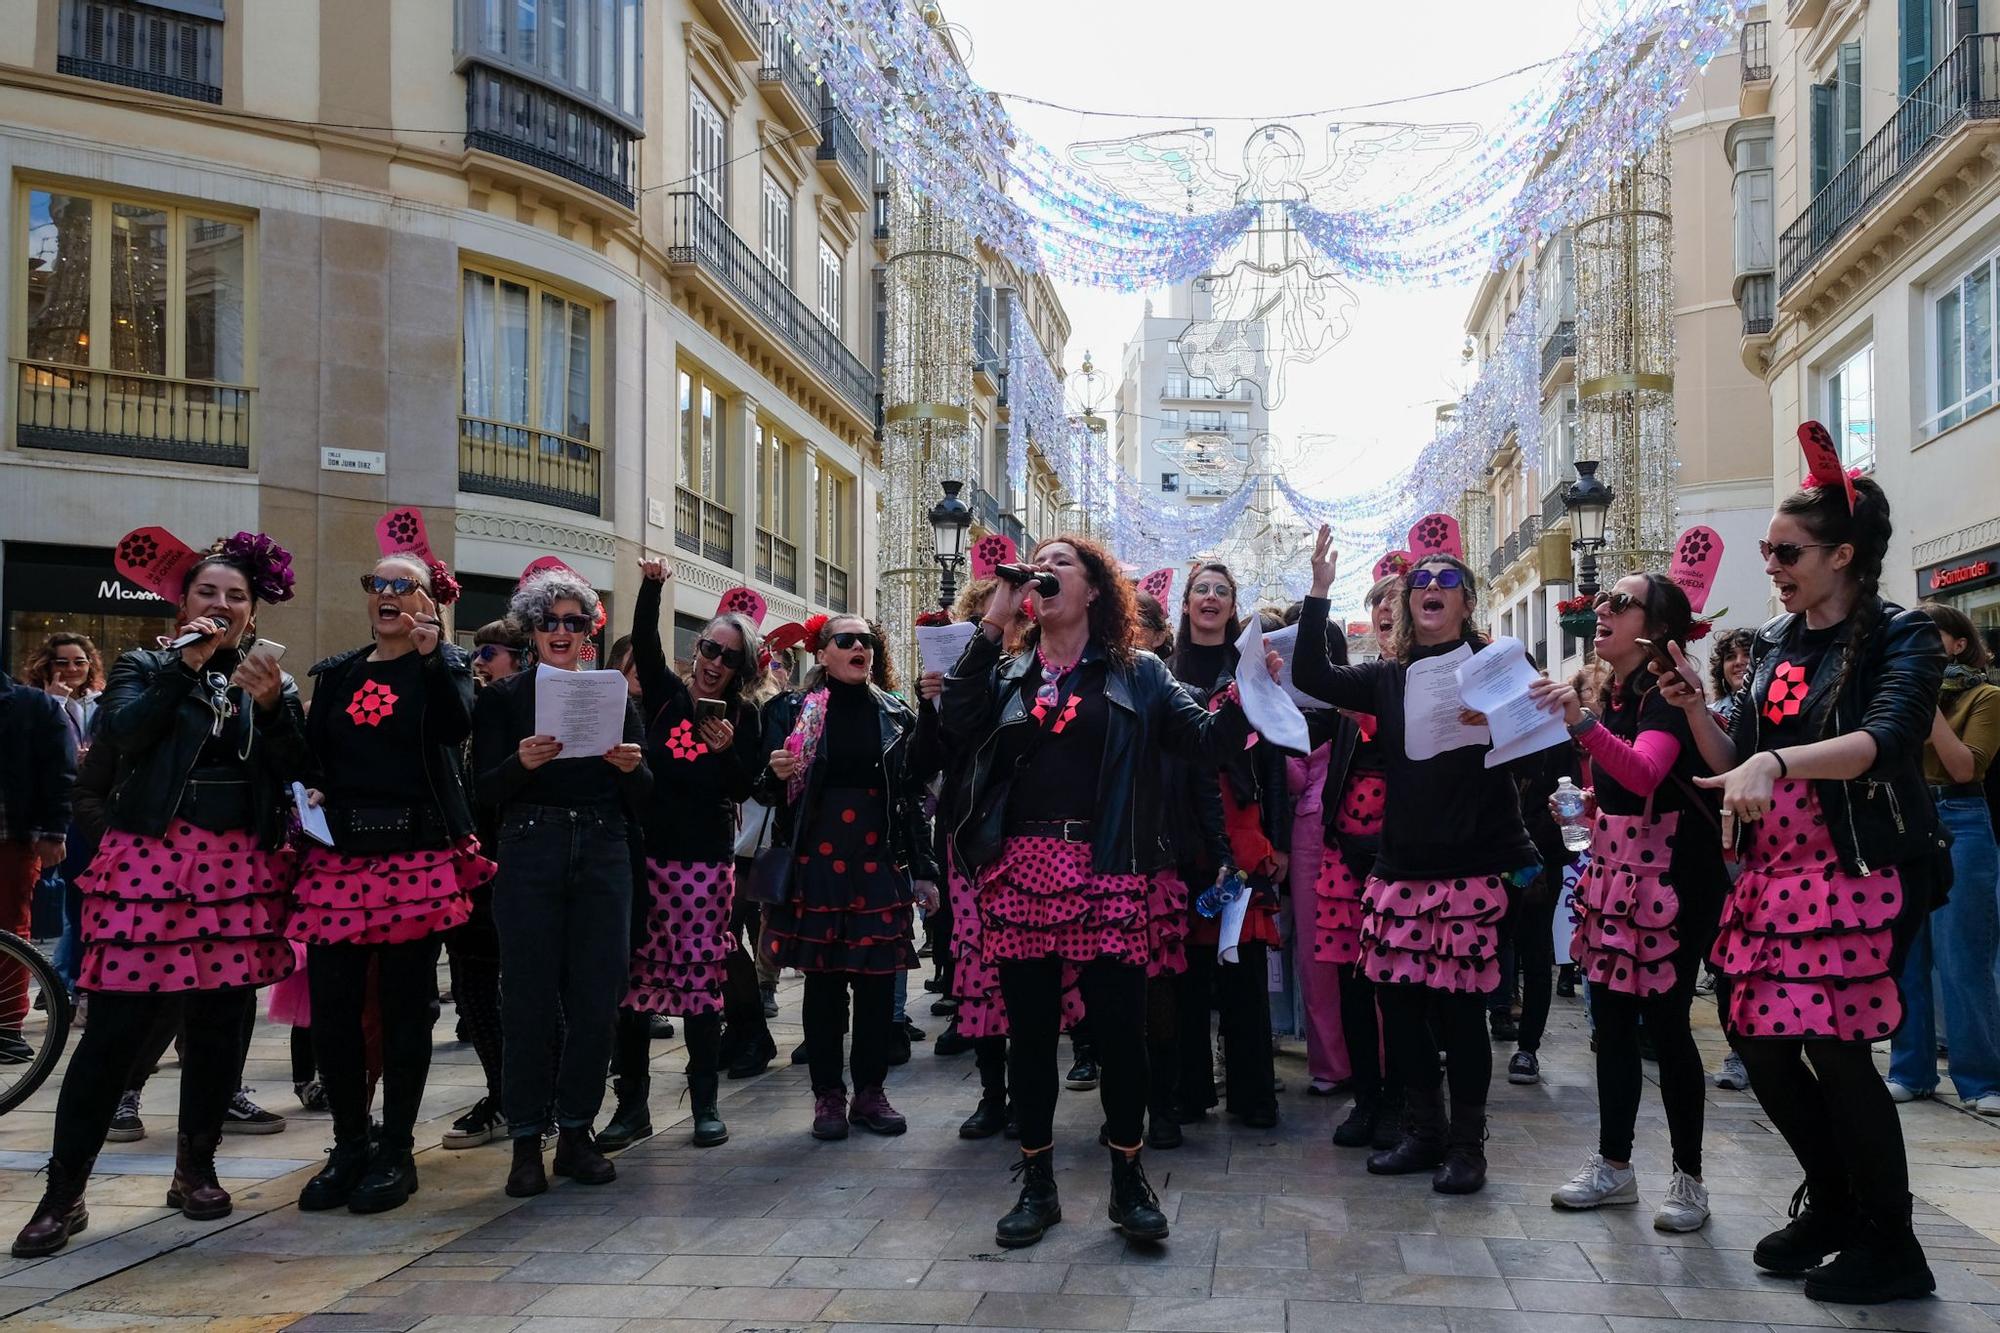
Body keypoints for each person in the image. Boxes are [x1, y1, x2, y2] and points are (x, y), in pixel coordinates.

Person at [1660, 450, 1943, 1305]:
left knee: (1837, 1048)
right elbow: (1737, 757)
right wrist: (1693, 712)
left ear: (1841, 555)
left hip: (1862, 868)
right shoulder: (1780, 640)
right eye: (1770, 553)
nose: (1772, 565)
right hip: (1777, 868)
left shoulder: (1905, 633)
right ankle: (1835, 1203)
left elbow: (1886, 740)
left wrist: (1777, 762)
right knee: (1758, 1038)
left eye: (1787, 552)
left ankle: (1891, 1241)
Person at [941, 534, 1254, 1249]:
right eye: (1035, 566)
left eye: (1059, 565)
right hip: (1020, 869)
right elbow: (956, 721)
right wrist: (994, 616)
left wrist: (1251, 690)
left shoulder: (1137, 671)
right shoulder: (1010, 668)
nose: (1042, 573)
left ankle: (1127, 1179)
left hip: (1106, 863)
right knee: (1030, 1036)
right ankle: (1038, 1183)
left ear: (1091, 591)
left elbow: (1206, 740)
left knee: (1121, 1034)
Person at [14, 531, 304, 1258]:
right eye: (209, 592)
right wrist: (187, 665)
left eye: (236, 596)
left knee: (217, 1030)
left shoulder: (268, 676)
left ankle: (195, 1169)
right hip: (153, 868)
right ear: (183, 601)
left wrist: (274, 711)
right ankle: (63, 1192)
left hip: (236, 869)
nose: (222, 604)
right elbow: (128, 732)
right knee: (114, 1034)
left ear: (253, 609)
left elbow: (296, 767)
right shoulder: (145, 663)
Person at [1290, 526, 1538, 1196]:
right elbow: (1310, 674)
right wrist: (1318, 592)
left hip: (1469, 866)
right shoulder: (1387, 678)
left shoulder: (1497, 666)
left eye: (1446, 580)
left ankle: (1467, 1145)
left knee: (1460, 1016)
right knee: (1398, 1011)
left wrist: (1514, 720)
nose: (1430, 587)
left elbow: (1544, 758)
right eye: (1418, 581)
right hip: (1400, 871)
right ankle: (1423, 1131)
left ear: (1466, 602)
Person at [291, 547, 491, 1214]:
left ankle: (397, 1150)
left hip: (416, 855)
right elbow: (311, 759)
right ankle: (350, 1144)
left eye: (404, 585)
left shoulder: (445, 666)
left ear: (427, 601)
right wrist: (309, 791)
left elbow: (456, 728)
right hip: (339, 860)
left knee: (409, 1010)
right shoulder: (339, 674)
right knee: (335, 1012)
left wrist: (435, 657)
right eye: (379, 582)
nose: (389, 594)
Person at [1532, 573, 1722, 1233]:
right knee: (1610, 1021)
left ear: (1654, 626)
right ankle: (1614, 1166)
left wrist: (1579, 724)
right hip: (1617, 871)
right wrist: (1585, 805)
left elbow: (1645, 768)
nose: (1600, 609)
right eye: (1600, 600)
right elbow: (1625, 783)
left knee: (1666, 1027)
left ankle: (1689, 1179)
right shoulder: (1615, 692)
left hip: (1675, 877)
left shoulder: (1668, 693)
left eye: (1619, 602)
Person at [472, 566, 650, 1198]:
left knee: (597, 997)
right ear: (531, 628)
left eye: (575, 621)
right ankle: (526, 1140)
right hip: (530, 841)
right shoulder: (502, 698)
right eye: (549, 620)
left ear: (589, 631)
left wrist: (630, 767)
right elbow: (482, 791)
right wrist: (519, 763)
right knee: (525, 996)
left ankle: (576, 1132)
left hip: (602, 844)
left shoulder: (614, 696)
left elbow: (646, 796)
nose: (561, 631)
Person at [598, 561, 765, 1151]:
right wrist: (649, 586)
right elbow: (643, 642)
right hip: (644, 858)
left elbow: (745, 788)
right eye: (710, 649)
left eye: (729, 658)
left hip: (702, 866)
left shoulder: (745, 719)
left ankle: (704, 1105)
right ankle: (633, 1107)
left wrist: (723, 753)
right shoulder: (666, 697)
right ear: (696, 651)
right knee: (632, 989)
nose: (715, 662)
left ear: (741, 672)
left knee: (699, 987)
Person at [758, 614, 936, 1141]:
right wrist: (775, 773)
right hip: (819, 862)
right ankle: (828, 1098)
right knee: (826, 987)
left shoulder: (895, 713)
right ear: (823, 652)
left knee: (879, 988)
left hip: (877, 862)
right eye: (847, 640)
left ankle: (870, 1093)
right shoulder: (791, 711)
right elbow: (763, 791)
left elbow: (909, 800)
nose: (861, 646)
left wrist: (923, 870)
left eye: (868, 640)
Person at [1161, 562, 1287, 1131]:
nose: (1210, 597)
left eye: (1222, 590)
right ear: (1185, 604)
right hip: (1180, 834)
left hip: (1242, 828)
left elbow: (1277, 760)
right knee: (1183, 973)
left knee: (1244, 973)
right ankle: (1187, 1090)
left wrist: (1278, 841)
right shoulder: (1160, 672)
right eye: (1201, 590)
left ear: (1233, 606)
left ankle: (1253, 1093)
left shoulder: (1252, 670)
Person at [1884, 602, 2000, 1114]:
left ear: (1958, 644)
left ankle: (1979, 1079)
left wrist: (1924, 700)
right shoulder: (1897, 692)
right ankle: (1911, 1069)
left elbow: (1961, 768)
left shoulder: (1986, 696)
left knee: (1963, 957)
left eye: (1932, 637)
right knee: (1907, 953)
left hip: (1963, 818)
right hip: (1908, 816)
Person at [1315, 575, 1401, 1149]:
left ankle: (1404, 1101)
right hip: (1345, 848)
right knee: (1352, 981)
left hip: (1404, 853)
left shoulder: (1440, 677)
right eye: (1379, 604)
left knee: (1399, 987)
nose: (1386, 611)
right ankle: (1366, 1097)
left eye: (1398, 600)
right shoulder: (1363, 679)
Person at [442, 617, 529, 1150]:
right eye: (476, 649)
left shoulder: (529, 709)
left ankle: (531, 1098)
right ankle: (501, 1092)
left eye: (491, 651)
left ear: (519, 657)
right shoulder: (467, 711)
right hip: (468, 874)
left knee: (529, 992)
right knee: (473, 990)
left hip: (519, 871)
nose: (480, 659)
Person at [0, 662, 75, 1063]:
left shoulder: (32, 706)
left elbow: (60, 771)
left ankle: (7, 1025)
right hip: (14, 833)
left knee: (11, 930)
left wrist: (53, 832)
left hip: (11, 835)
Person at [1703, 627, 1757, 1092]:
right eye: (1731, 656)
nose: (1739, 662)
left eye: (1748, 655)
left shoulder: (1773, 716)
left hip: (1766, 849)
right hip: (1720, 853)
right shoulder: (1711, 715)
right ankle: (1740, 1052)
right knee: (1726, 963)